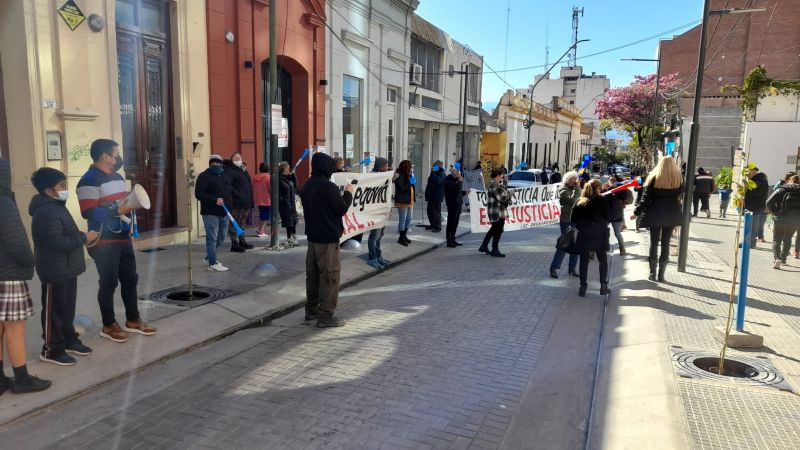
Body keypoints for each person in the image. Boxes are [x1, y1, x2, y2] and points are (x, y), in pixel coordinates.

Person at [77, 139, 157, 343]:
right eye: (115, 153)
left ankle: (133, 320)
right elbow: (88, 212)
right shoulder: (88, 180)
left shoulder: (117, 177)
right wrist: (117, 210)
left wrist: (128, 219)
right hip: (103, 241)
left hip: (122, 237)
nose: (118, 157)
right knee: (109, 282)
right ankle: (108, 324)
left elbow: (122, 204)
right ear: (105, 156)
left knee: (130, 279)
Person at [29, 168, 97, 366]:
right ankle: (52, 349)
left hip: (67, 267)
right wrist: (84, 238)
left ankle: (68, 340)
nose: (66, 189)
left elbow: (66, 234)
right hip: (54, 269)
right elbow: (56, 242)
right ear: (49, 191)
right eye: (62, 186)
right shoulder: (46, 211)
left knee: (67, 309)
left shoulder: (57, 206)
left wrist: (83, 238)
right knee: (55, 312)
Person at [0, 159, 51, 393]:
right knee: (15, 328)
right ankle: (22, 378)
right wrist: (30, 261)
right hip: (8, 275)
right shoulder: (4, 203)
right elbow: (16, 242)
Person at [299, 153, 354, 328]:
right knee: (330, 277)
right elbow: (341, 208)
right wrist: (348, 193)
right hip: (327, 239)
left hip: (312, 238)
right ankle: (325, 316)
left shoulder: (307, 185)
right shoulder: (327, 186)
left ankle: (311, 310)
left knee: (313, 276)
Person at [634, 156, 684, 282]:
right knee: (666, 243)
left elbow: (645, 199)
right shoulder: (679, 178)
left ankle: (652, 273)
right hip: (672, 213)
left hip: (654, 212)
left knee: (654, 242)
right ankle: (662, 275)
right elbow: (681, 195)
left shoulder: (654, 177)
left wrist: (636, 212)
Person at [571, 180, 613, 297]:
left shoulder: (580, 201)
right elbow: (610, 216)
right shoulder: (601, 200)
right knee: (602, 260)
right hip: (599, 235)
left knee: (584, 262)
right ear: (598, 188)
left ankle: (583, 287)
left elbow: (573, 219)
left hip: (584, 234)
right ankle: (603, 286)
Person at [195, 154, 232, 272]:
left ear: (221, 164)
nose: (215, 165)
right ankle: (213, 262)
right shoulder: (204, 176)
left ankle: (210, 256)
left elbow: (229, 192)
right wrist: (214, 200)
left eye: (218, 163)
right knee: (212, 237)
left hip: (225, 212)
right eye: (213, 163)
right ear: (210, 164)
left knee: (221, 237)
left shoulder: (224, 175)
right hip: (210, 211)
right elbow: (199, 194)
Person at [549, 171, 581, 278]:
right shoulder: (563, 190)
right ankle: (554, 268)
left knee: (576, 244)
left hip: (576, 220)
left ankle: (572, 268)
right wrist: (577, 189)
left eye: (576, 178)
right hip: (566, 220)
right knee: (564, 243)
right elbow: (573, 201)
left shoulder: (576, 190)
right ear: (567, 180)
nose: (575, 180)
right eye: (573, 178)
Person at [766, 174, 800, 269]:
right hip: (795, 220)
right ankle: (784, 259)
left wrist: (774, 212)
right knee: (788, 238)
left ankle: (777, 258)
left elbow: (768, 202)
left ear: (789, 180)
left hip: (780, 218)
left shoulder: (781, 189)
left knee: (777, 239)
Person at [222, 152, 254, 252]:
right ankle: (234, 243)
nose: (237, 160)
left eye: (239, 158)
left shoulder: (243, 169)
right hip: (236, 202)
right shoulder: (229, 170)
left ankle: (242, 241)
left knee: (242, 223)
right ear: (232, 160)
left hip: (246, 201)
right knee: (234, 223)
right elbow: (227, 185)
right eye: (235, 158)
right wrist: (237, 194)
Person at [479, 167, 512, 257]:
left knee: (494, 230)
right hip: (496, 212)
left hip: (499, 211)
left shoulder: (497, 184)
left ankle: (484, 246)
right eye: (502, 175)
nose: (503, 176)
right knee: (497, 230)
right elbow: (502, 198)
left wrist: (505, 183)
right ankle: (494, 249)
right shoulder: (494, 185)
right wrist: (510, 194)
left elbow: (503, 193)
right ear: (498, 175)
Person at [367, 158, 391, 268]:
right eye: (385, 166)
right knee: (374, 235)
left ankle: (378, 255)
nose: (387, 168)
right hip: (375, 211)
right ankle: (372, 257)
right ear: (380, 166)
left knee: (381, 234)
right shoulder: (371, 176)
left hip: (384, 209)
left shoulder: (385, 175)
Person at [604, 175, 633, 255]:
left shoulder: (619, 190)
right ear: (608, 181)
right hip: (606, 216)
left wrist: (622, 188)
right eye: (611, 179)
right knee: (601, 232)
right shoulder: (605, 189)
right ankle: (601, 248)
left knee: (617, 233)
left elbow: (624, 197)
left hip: (616, 215)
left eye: (614, 180)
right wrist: (603, 188)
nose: (612, 181)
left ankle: (622, 247)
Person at [744, 167, 769, 247]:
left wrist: (747, 189)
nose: (747, 175)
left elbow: (759, 193)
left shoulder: (761, 180)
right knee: (750, 225)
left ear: (753, 171)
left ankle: (751, 243)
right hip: (753, 206)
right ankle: (748, 242)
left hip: (756, 206)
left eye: (748, 173)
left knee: (753, 226)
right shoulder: (756, 180)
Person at [393, 160, 415, 246]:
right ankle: (401, 238)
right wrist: (410, 182)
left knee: (409, 218)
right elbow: (402, 188)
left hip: (410, 200)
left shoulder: (408, 174)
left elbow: (412, 186)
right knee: (403, 219)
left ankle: (404, 236)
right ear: (406, 167)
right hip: (402, 200)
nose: (411, 168)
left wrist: (411, 177)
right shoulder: (399, 175)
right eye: (410, 167)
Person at [278, 161, 299, 246]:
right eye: (287, 168)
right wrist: (283, 201)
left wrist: (294, 175)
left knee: (293, 220)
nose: (289, 170)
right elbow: (277, 193)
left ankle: (293, 237)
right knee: (288, 221)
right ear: (283, 169)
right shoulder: (279, 179)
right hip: (285, 204)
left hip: (291, 203)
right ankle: (289, 237)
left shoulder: (289, 177)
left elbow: (295, 185)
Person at [443, 165, 465, 248]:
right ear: (454, 174)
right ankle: (449, 240)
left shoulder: (455, 181)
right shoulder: (448, 181)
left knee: (455, 223)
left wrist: (464, 193)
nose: (459, 175)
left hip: (458, 204)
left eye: (459, 174)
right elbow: (455, 191)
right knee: (451, 223)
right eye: (458, 174)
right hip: (452, 205)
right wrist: (459, 182)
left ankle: (453, 238)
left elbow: (458, 192)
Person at [425, 160, 446, 232]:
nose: (433, 167)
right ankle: (432, 224)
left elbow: (438, 181)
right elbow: (430, 181)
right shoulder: (433, 173)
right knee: (430, 211)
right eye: (433, 166)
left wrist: (433, 172)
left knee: (436, 211)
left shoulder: (442, 173)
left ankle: (438, 226)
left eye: (435, 166)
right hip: (431, 195)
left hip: (437, 195)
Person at [252, 162, 271, 238]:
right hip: (266, 200)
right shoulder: (268, 177)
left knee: (261, 215)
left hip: (257, 199)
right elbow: (270, 189)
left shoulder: (255, 177)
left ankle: (260, 229)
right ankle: (260, 231)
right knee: (265, 216)